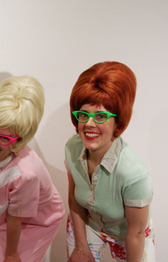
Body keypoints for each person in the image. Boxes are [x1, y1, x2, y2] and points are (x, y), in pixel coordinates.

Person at [65, 61, 155, 262]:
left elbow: (136, 234)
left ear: (118, 121)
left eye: (100, 116)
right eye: (83, 114)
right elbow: (74, 197)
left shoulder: (133, 173)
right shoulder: (72, 147)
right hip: (89, 224)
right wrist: (80, 247)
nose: (89, 123)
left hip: (129, 234)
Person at [0, 76, 65, 262]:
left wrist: (11, 254)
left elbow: (15, 218)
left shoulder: (25, 174)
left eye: (4, 138)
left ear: (21, 139)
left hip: (37, 221)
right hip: (8, 211)